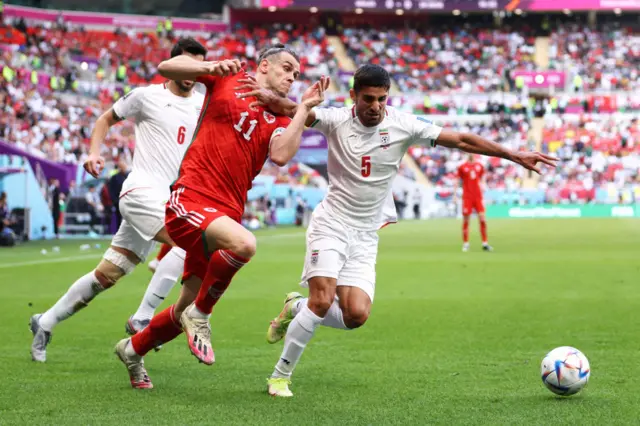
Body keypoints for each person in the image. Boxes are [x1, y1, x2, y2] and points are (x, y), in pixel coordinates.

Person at [244, 64, 557, 397]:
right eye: (368, 99)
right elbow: (291, 109)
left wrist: (511, 154)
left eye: (381, 99)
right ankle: (280, 376)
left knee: (356, 315)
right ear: (353, 96)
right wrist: (264, 94)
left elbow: (461, 139)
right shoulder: (335, 120)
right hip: (331, 224)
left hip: (365, 234)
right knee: (321, 301)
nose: (376, 106)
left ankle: (295, 307)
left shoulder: (403, 124)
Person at [113, 44, 329, 389]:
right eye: (286, 68)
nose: (291, 76)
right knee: (244, 245)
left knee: (182, 306)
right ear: (263, 66)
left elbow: (282, 155)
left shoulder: (282, 118)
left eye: (296, 74)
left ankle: (133, 349)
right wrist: (211, 66)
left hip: (224, 214)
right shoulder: (229, 79)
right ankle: (202, 315)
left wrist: (302, 109)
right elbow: (168, 67)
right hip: (192, 198)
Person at [29, 38, 208, 363]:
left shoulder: (202, 104)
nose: (191, 72)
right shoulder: (147, 96)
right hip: (140, 192)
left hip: (165, 200)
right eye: (186, 64)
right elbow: (104, 120)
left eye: (198, 66)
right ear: (172, 65)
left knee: (107, 276)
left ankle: (44, 322)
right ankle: (143, 316)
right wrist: (94, 153)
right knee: (193, 244)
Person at [456, 154, 491, 252]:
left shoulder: (480, 166)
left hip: (478, 196)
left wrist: (483, 187)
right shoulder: (462, 167)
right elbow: (457, 180)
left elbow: (482, 179)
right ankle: (466, 243)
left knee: (483, 219)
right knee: (466, 220)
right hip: (467, 197)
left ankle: (485, 243)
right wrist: (455, 195)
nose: (471, 154)